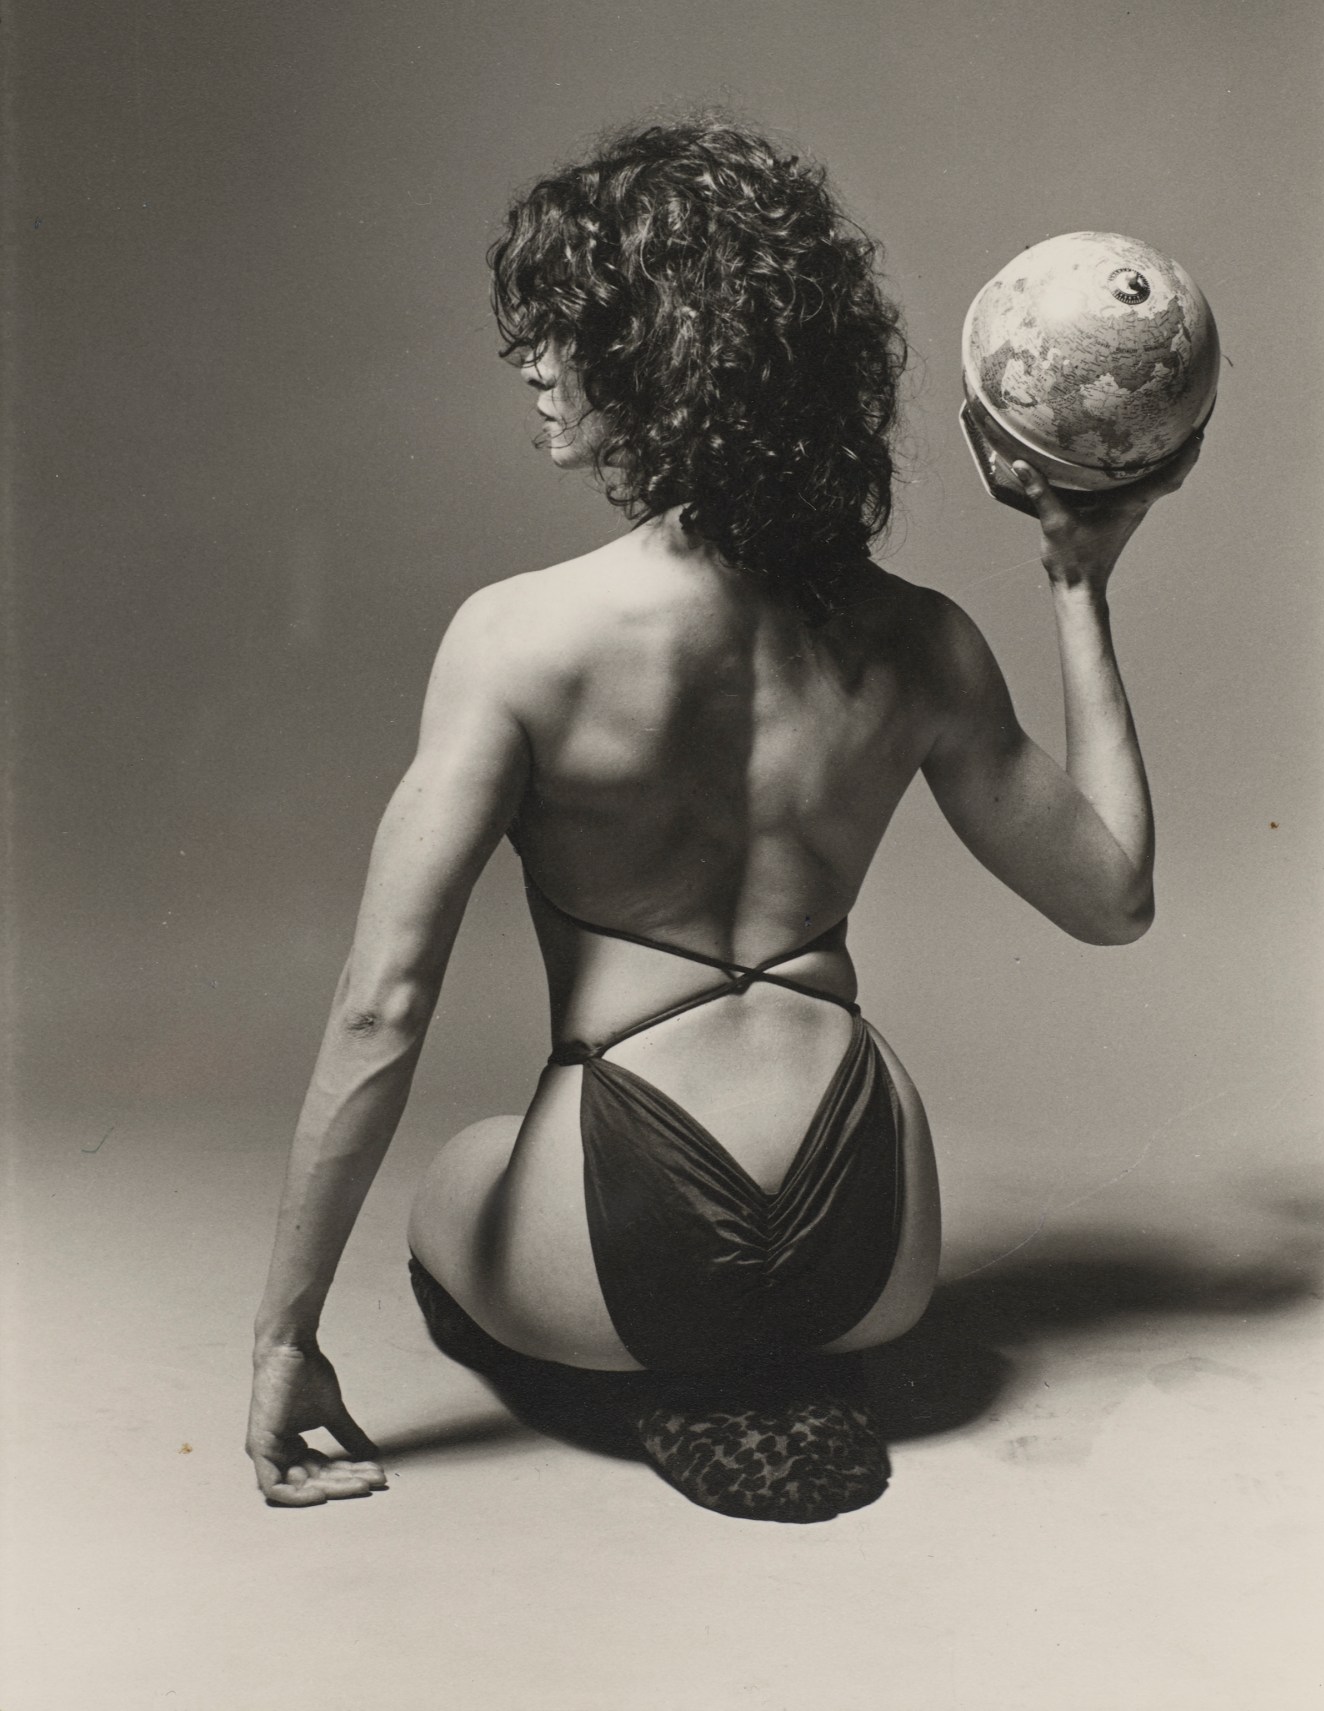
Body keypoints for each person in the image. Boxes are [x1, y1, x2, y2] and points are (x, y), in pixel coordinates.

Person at [246, 119, 1199, 1522]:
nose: (530, 360)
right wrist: (1076, 586)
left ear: (655, 365)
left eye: (561, 329)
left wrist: (283, 1334)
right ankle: (770, 1364)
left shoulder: (518, 640)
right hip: (872, 1241)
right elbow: (1112, 896)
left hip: (620, 1218)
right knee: (674, 1250)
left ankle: (660, 1369)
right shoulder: (918, 641)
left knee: (463, 1176)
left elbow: (383, 1008)